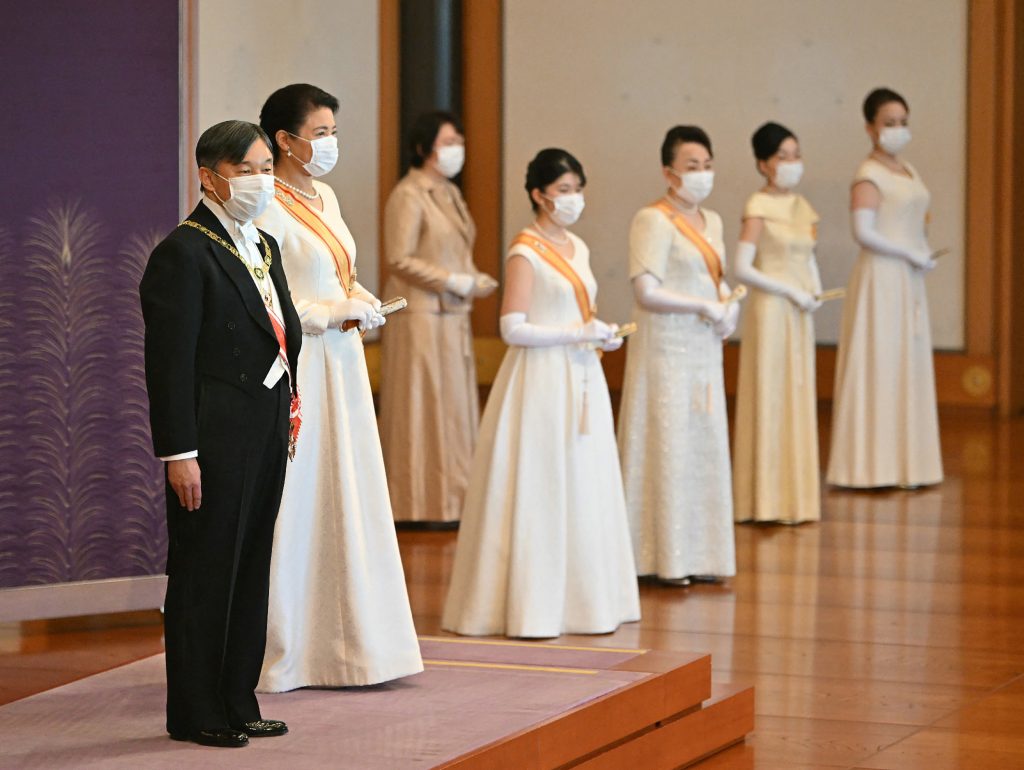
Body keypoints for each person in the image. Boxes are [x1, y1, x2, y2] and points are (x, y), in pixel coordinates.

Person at [254, 84, 422, 691]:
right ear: (285, 139)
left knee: (350, 489)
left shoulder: (323, 194)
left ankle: (360, 639)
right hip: (305, 362)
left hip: (345, 361)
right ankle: (295, 645)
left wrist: (365, 300)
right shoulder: (266, 204)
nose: (330, 144)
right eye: (320, 132)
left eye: (332, 131)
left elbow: (339, 270)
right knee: (304, 495)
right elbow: (267, 301)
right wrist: (330, 311)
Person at [140, 120, 300, 747]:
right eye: (249, 170)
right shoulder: (184, 251)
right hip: (211, 439)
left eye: (267, 167)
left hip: (263, 430)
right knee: (206, 570)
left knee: (250, 562)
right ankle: (196, 709)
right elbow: (169, 363)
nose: (262, 181)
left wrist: (289, 409)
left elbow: (281, 333)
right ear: (210, 176)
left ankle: (238, 696)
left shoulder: (263, 244)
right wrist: (180, 452)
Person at [442, 149, 640, 637]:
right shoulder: (525, 250)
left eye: (577, 189)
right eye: (564, 190)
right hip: (541, 380)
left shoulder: (579, 247)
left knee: (584, 482)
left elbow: (579, 312)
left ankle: (587, 602)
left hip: (580, 374)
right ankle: (533, 606)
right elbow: (513, 327)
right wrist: (576, 333)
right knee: (543, 483)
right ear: (539, 194)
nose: (573, 199)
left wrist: (599, 331)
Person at [617, 125, 738, 584]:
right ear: (670, 173)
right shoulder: (653, 220)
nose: (702, 175)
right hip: (667, 346)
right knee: (667, 440)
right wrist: (704, 306)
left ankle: (702, 555)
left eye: (707, 166)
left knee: (701, 442)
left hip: (704, 348)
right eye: (692, 167)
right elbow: (646, 290)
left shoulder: (715, 221)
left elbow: (716, 279)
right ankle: (659, 558)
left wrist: (727, 305)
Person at [379, 111, 497, 524]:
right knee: (421, 408)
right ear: (423, 147)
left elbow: (453, 249)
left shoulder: (449, 193)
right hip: (420, 316)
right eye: (448, 141)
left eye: (458, 141)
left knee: (452, 410)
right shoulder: (409, 194)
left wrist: (469, 278)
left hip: (451, 313)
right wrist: (455, 280)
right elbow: (398, 258)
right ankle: (414, 504)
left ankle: (454, 502)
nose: (456, 149)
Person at [827, 88, 943, 488]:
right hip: (881, 276)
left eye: (903, 122)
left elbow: (914, 221)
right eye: (889, 123)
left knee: (905, 360)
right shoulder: (869, 174)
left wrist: (922, 251)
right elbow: (863, 231)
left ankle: (910, 465)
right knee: (881, 360)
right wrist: (908, 253)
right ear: (870, 128)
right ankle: (872, 467)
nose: (898, 130)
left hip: (908, 277)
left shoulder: (908, 171)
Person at [732, 122, 823, 524]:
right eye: (783, 157)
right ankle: (764, 501)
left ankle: (796, 500)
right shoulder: (758, 206)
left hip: (800, 310)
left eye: (796, 155)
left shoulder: (802, 206)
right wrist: (788, 290)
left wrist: (815, 288)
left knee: (797, 393)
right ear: (764, 164)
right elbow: (741, 268)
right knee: (771, 392)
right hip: (772, 308)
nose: (791, 164)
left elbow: (808, 255)